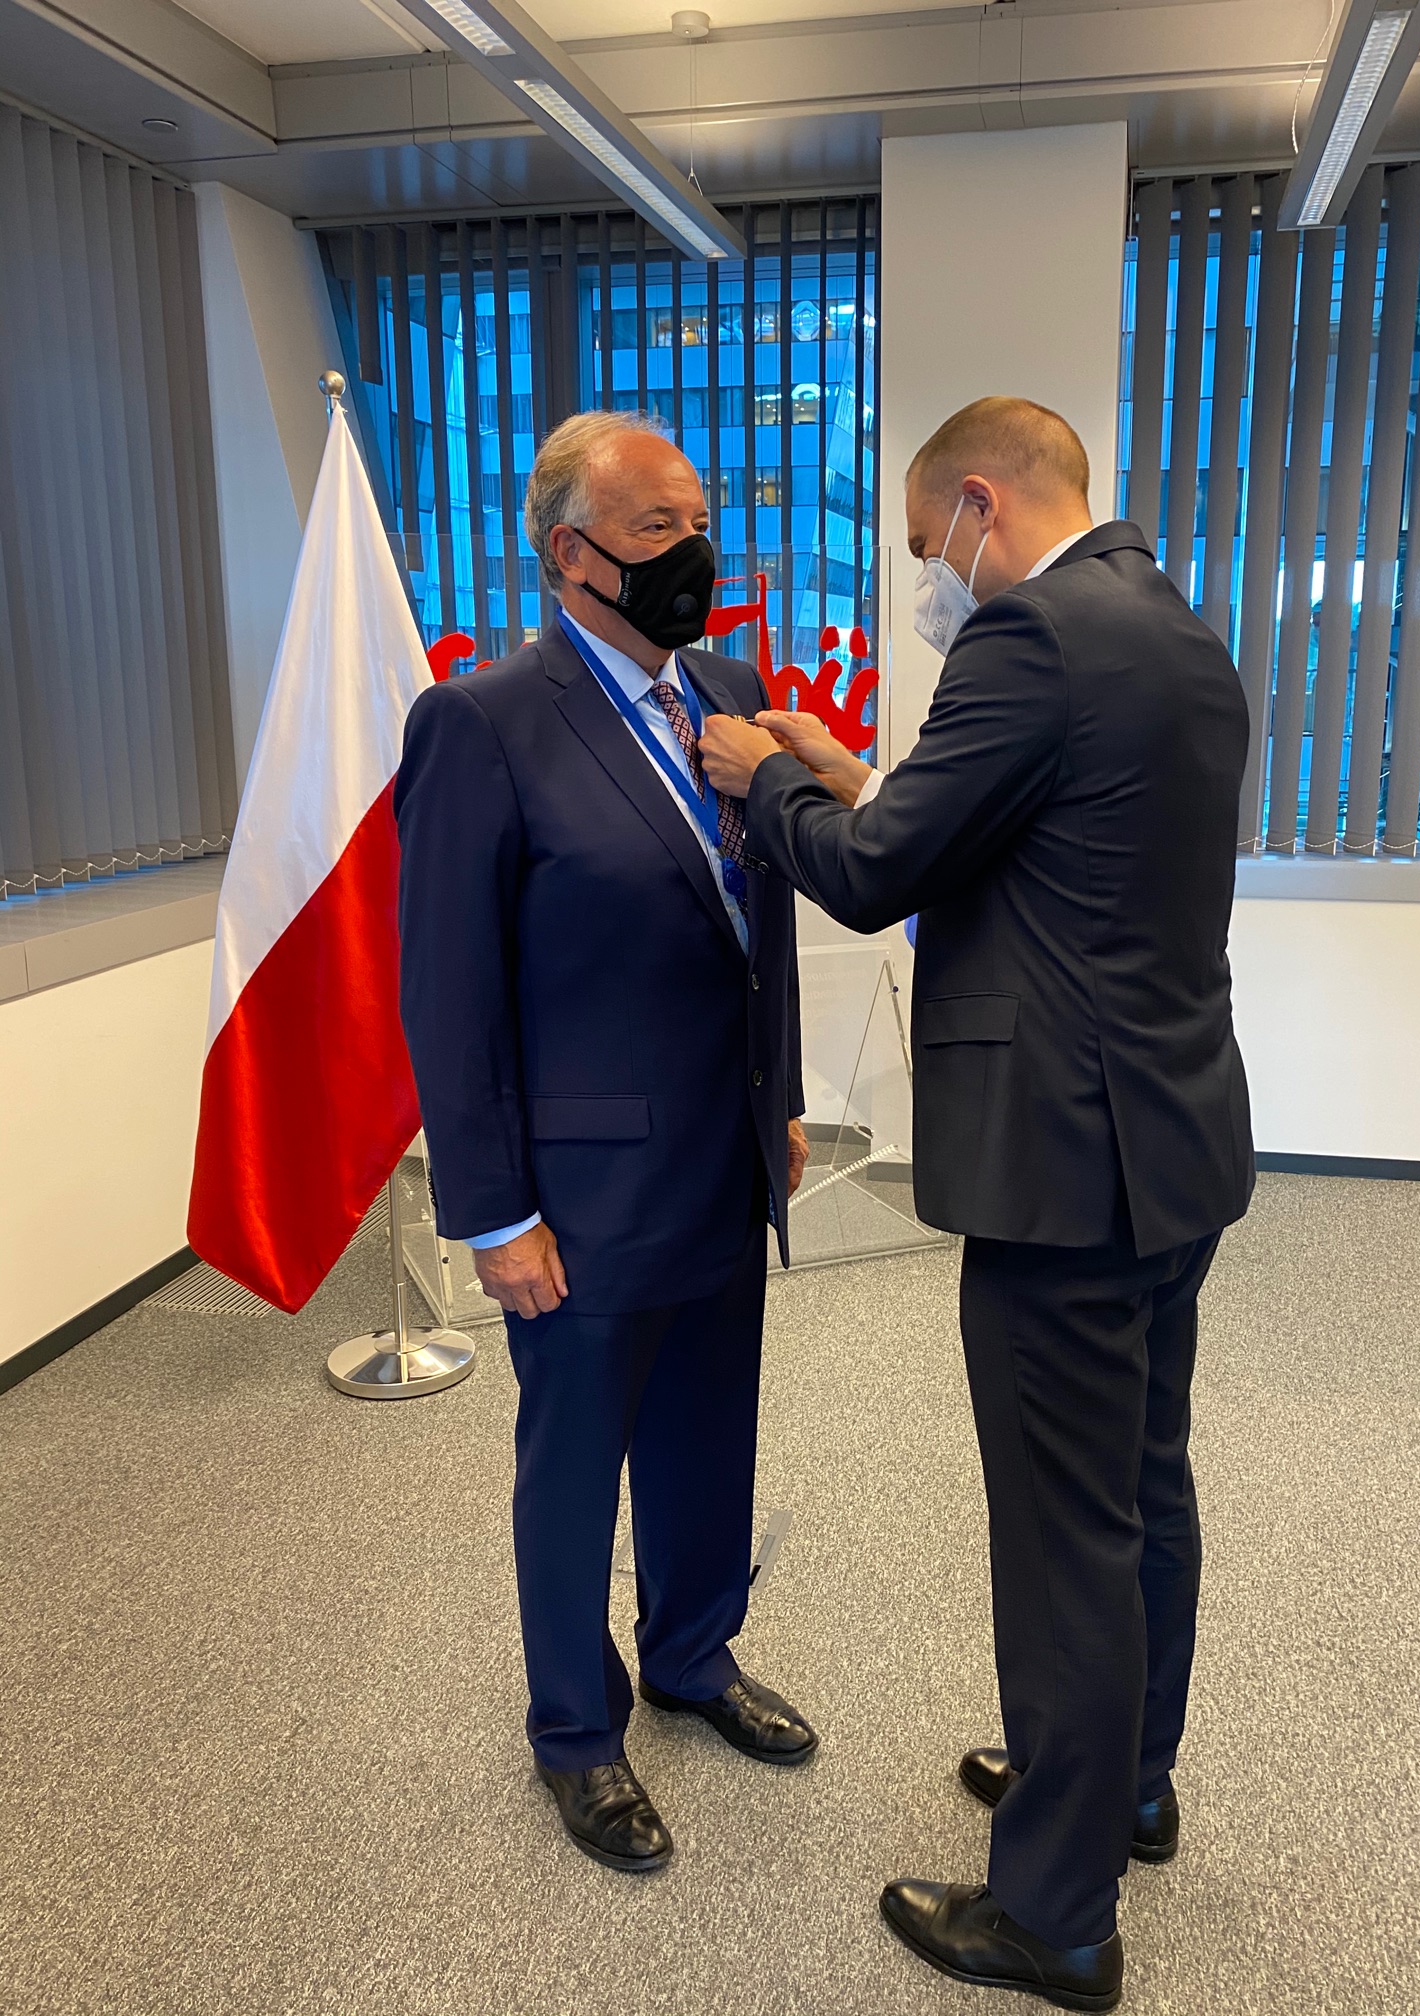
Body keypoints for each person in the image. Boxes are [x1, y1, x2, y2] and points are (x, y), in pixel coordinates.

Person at [700, 396, 1253, 2009]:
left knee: (1066, 1535)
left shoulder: (1028, 638)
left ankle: (1054, 1915)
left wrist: (763, 781)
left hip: (1062, 1170)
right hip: (1171, 1146)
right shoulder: (1174, 631)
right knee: (1141, 1489)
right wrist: (850, 775)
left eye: (921, 542)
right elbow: (1029, 845)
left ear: (979, 506)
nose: (924, 575)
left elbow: (876, 874)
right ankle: (1124, 1785)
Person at [394, 409, 816, 1877]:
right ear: (572, 552)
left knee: (710, 1434)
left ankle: (694, 1655)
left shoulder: (730, 692)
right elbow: (447, 990)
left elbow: (759, 925)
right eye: (657, 528)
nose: (694, 552)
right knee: (575, 1464)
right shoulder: (483, 722)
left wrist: (780, 1099)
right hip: (578, 1191)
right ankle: (577, 1728)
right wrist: (492, 1210)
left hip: (723, 1157)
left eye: (700, 523)